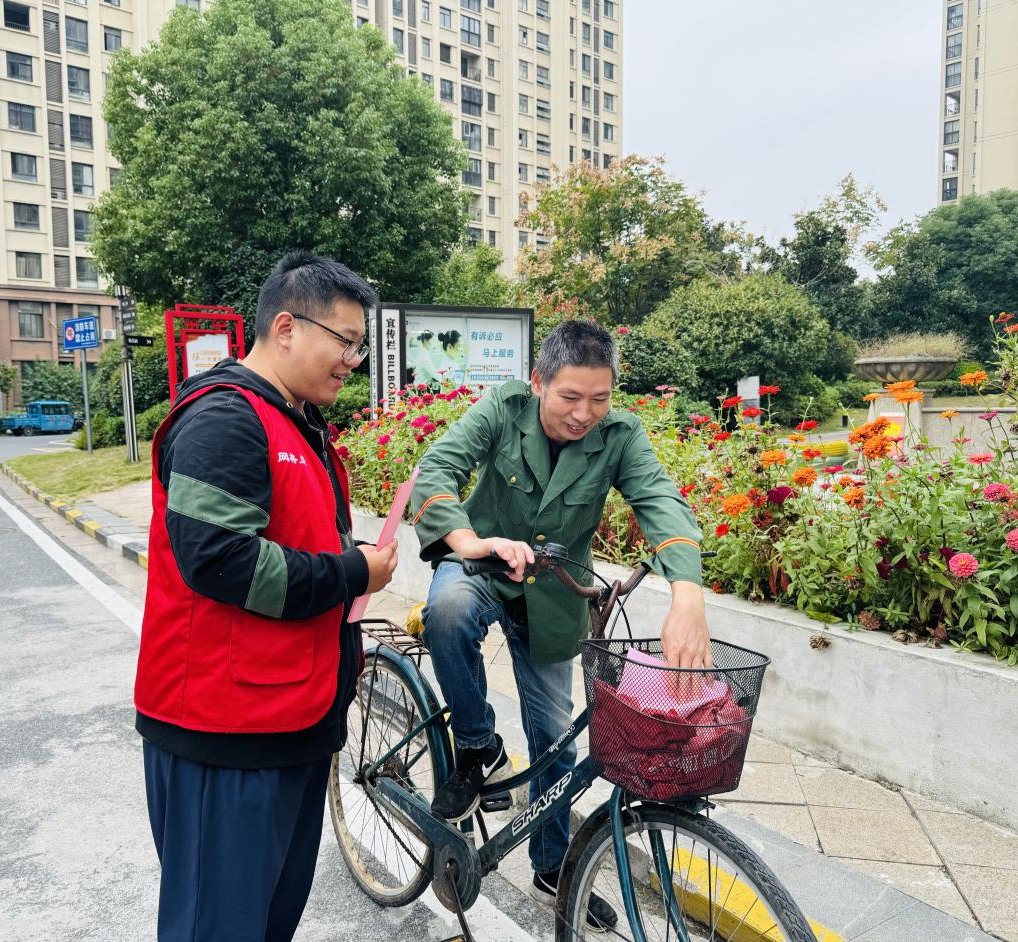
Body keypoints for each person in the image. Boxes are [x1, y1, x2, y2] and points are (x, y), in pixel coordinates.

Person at [410, 319, 710, 932]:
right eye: (570, 396)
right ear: (538, 381)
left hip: (554, 594)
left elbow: (661, 501)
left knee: (555, 741)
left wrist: (687, 595)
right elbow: (437, 470)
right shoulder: (502, 409)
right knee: (448, 612)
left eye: (599, 399)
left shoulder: (620, 436)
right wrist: (468, 541)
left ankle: (553, 867)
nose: (583, 414)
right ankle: (477, 745)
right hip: (482, 565)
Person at [134, 250, 399, 942]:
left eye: (359, 346)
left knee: (264, 923)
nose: (353, 360)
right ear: (285, 328)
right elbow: (219, 560)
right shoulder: (225, 419)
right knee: (218, 928)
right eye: (345, 341)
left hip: (288, 721)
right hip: (227, 735)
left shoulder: (293, 419)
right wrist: (353, 574)